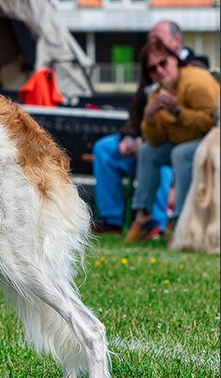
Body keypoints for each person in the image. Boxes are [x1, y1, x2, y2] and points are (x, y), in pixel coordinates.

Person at [91, 21, 198, 234]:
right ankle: (112, 219)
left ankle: (156, 222)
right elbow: (135, 111)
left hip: (176, 141)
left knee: (157, 154)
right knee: (104, 148)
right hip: (144, 135)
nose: (158, 70)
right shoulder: (150, 69)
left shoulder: (196, 67)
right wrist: (129, 137)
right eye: (151, 40)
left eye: (157, 40)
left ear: (176, 41)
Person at [125, 37, 219, 243]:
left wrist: (177, 111)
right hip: (187, 143)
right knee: (148, 151)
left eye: (163, 63)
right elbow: (155, 141)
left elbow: (212, 124)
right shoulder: (158, 93)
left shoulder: (196, 81)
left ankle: (180, 224)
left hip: (212, 143)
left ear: (175, 59)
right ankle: (143, 218)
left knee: (181, 153)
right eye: (152, 69)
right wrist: (149, 118)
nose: (159, 70)